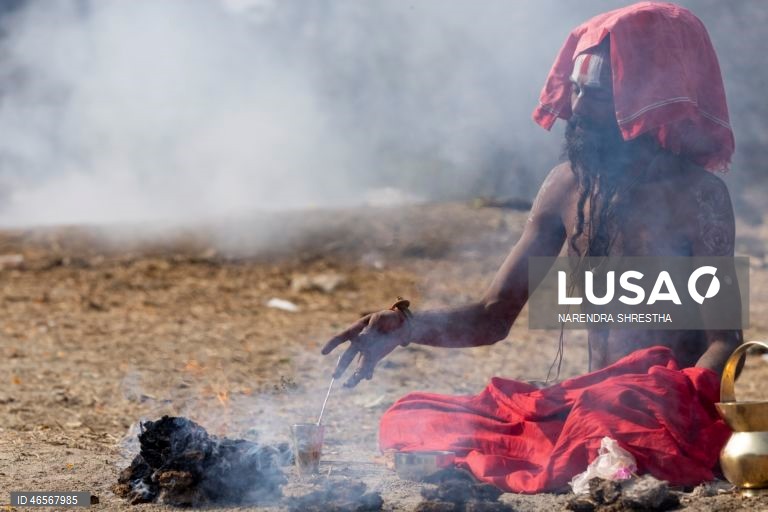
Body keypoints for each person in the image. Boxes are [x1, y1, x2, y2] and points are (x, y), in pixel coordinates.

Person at [322, 2, 741, 493]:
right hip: (586, 414)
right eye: (578, 88)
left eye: (599, 95)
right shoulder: (564, 186)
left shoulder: (699, 197)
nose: (577, 109)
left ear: (646, 99)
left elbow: (725, 341)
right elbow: (494, 315)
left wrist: (672, 396)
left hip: (662, 421)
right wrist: (408, 326)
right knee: (415, 416)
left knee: (610, 424)